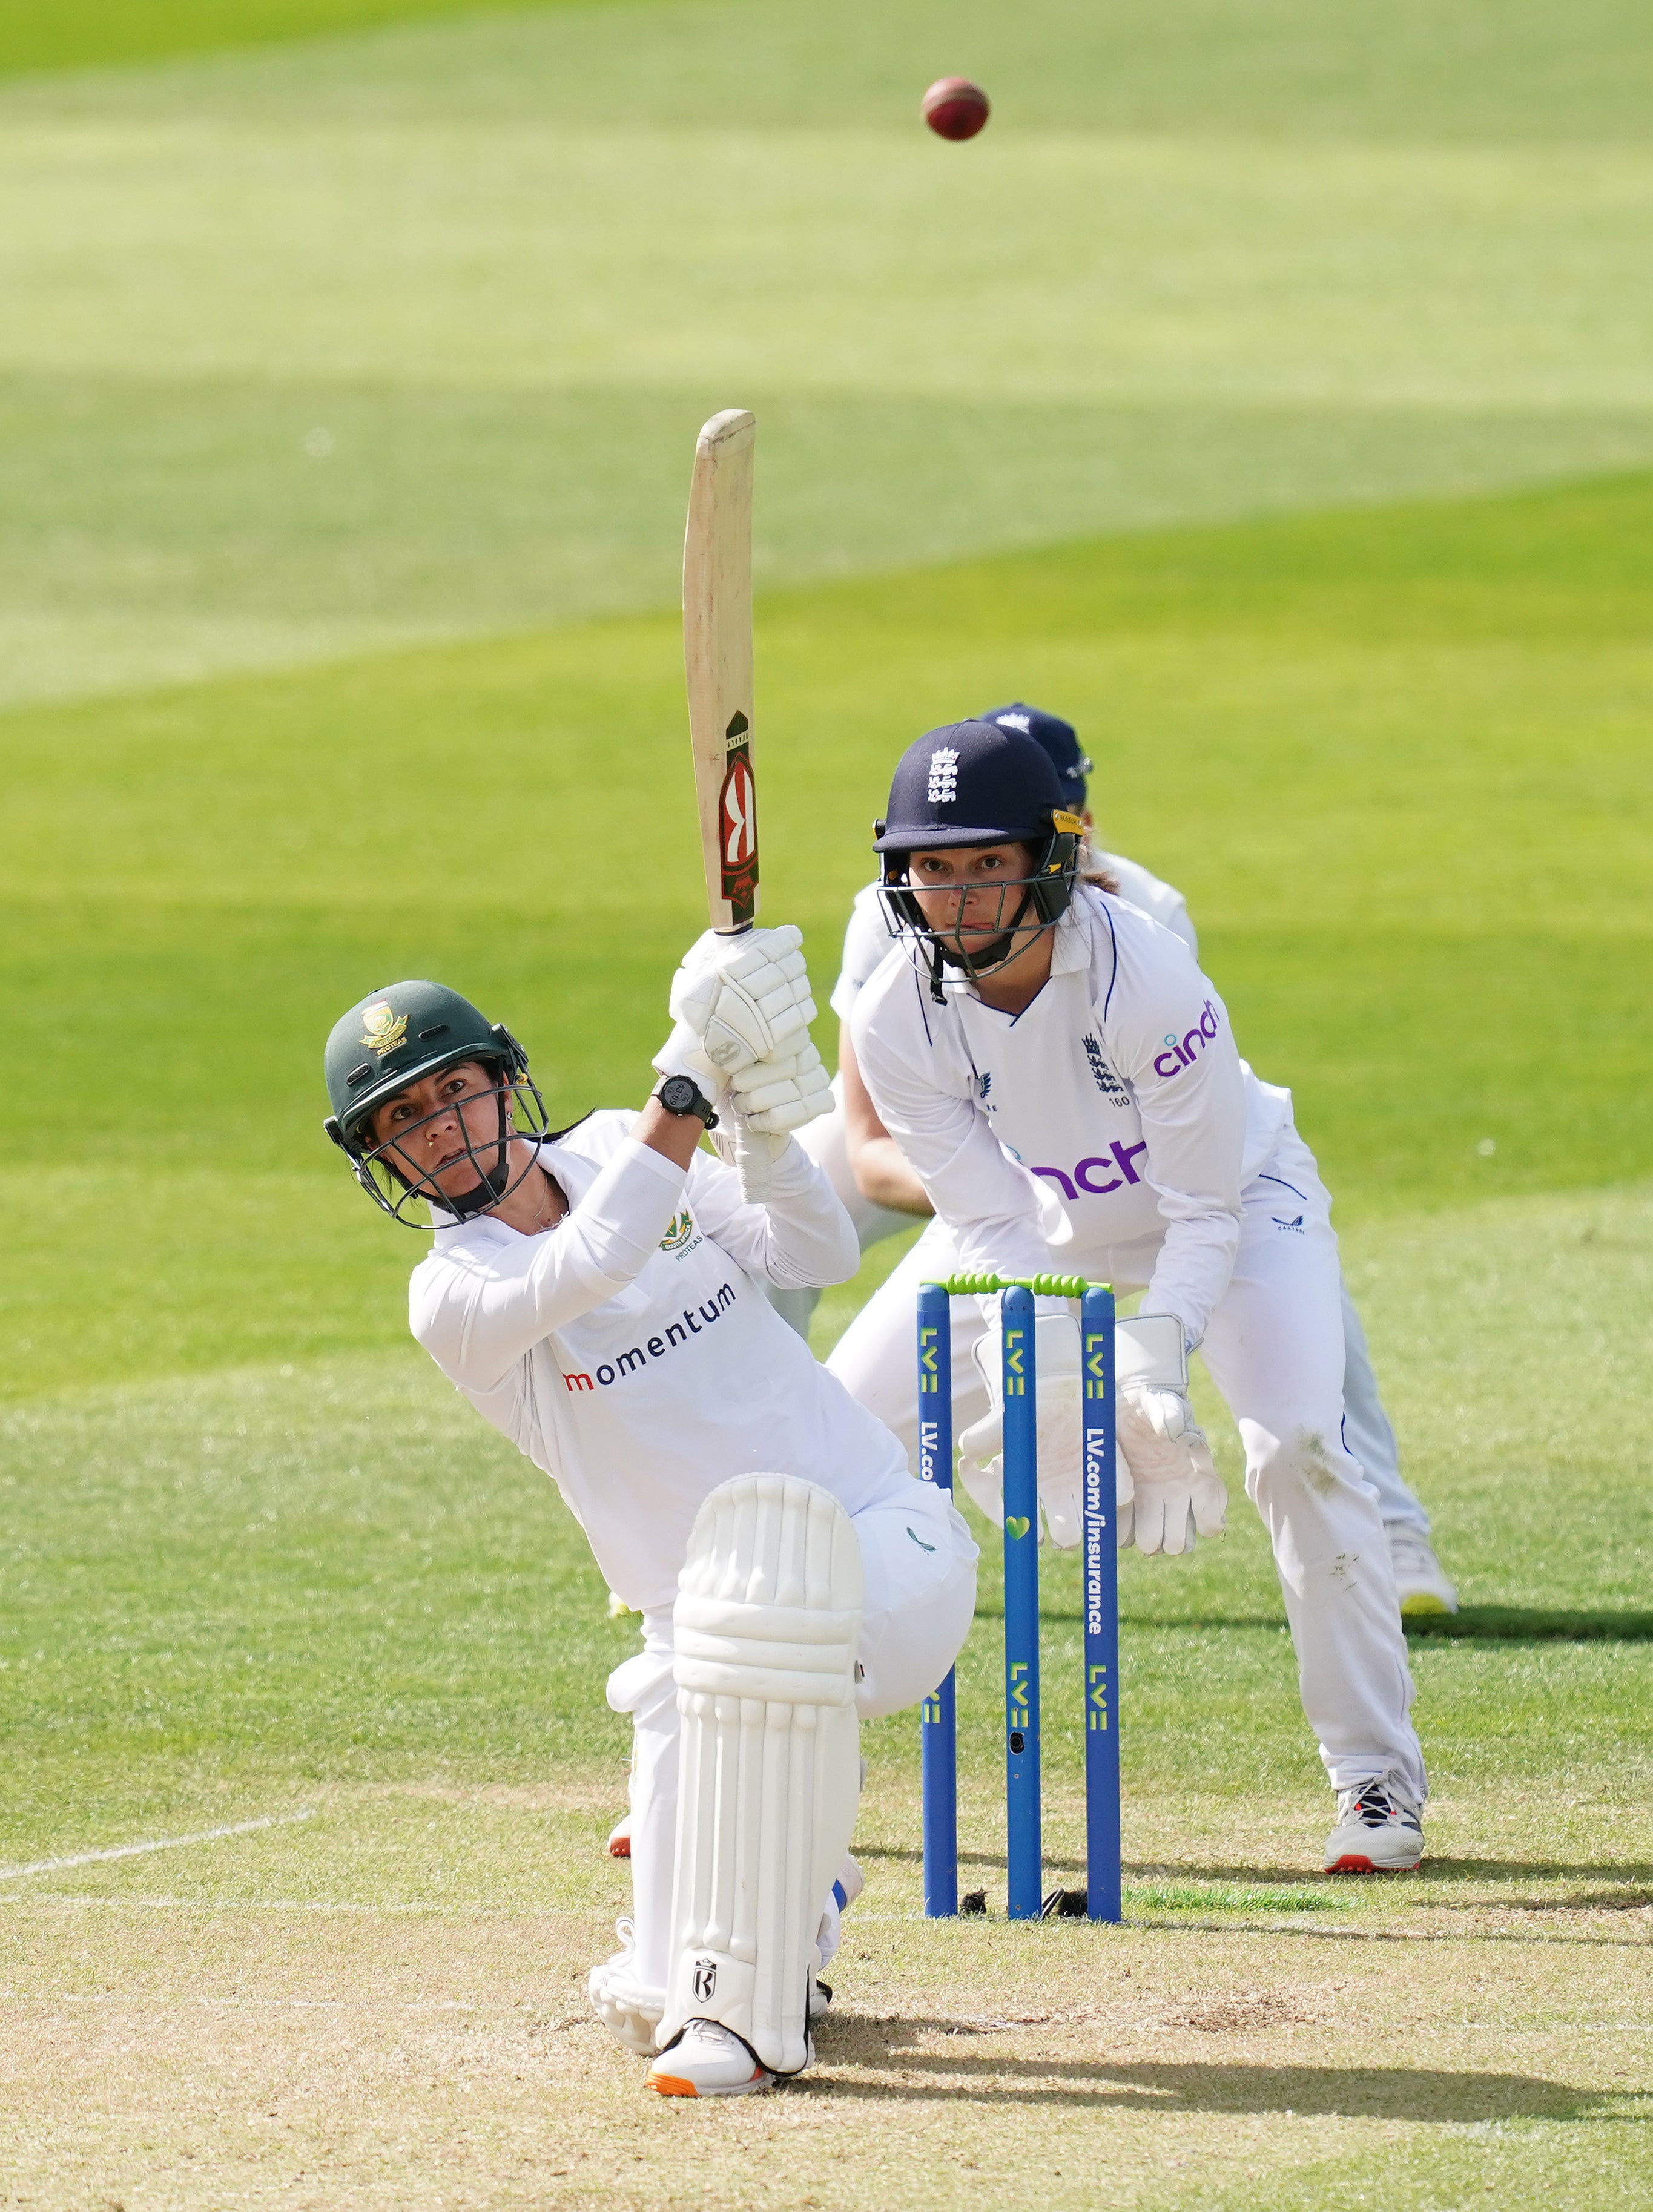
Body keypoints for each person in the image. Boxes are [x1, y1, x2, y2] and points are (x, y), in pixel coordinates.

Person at [320, 938, 977, 2096]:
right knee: (652, 1986)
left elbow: (813, 1247)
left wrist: (761, 1138)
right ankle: (796, 1894)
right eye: (401, 1120)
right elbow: (591, 1259)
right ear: (382, 1159)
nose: (436, 1127)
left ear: (496, 1080)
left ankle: (755, 2004)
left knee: (767, 1641)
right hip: (695, 1634)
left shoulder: (621, 1149)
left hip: (888, 1541)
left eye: (449, 1090)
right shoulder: (453, 1294)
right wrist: (688, 1073)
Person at [838, 718, 1427, 1874]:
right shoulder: (892, 1014)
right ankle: (774, 1750)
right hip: (1039, 1229)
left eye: (983, 863)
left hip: (1236, 1210)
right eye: (932, 866)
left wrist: (1151, 1367)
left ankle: (1374, 1779)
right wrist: (1065, 1379)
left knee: (1296, 1446)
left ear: (1047, 859)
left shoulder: (1145, 975)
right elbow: (992, 1221)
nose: (955, 896)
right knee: (829, 1432)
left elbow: (1204, 1213)